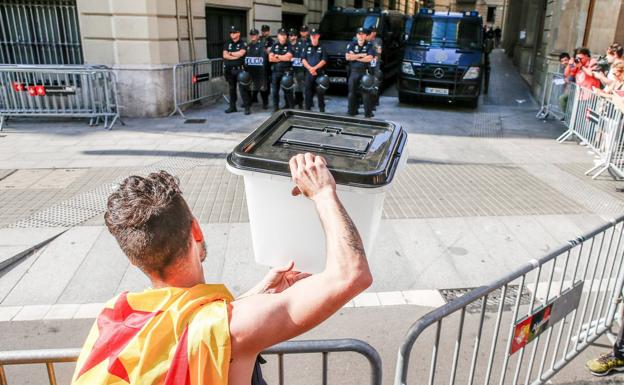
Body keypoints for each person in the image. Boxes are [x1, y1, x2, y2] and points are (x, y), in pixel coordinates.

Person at [70, 155, 373, 385]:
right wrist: (322, 193)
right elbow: (351, 274)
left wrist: (257, 295)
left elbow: (183, 331)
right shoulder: (232, 329)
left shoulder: (113, 318)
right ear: (196, 232)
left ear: (134, 259)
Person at [346, 27, 375, 118]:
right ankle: (352, 112)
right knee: (352, 93)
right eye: (359, 34)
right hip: (354, 72)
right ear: (356, 35)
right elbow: (347, 57)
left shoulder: (369, 45)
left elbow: (370, 58)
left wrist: (355, 56)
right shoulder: (352, 44)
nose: (361, 36)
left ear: (366, 36)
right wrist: (361, 55)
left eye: (363, 34)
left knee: (366, 93)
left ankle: (368, 113)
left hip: (364, 72)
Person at [222, 26, 248, 114]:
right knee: (231, 90)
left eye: (234, 32)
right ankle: (232, 107)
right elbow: (225, 55)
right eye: (231, 33)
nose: (232, 34)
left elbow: (241, 53)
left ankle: (247, 108)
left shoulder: (242, 43)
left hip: (239, 70)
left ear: (238, 33)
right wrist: (234, 56)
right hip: (230, 71)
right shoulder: (227, 43)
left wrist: (230, 54)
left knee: (243, 89)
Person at [302, 28, 328, 112]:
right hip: (309, 73)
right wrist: (310, 68)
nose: (313, 37)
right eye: (312, 35)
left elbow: (324, 60)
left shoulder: (322, 47)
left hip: (319, 73)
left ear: (318, 36)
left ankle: (322, 109)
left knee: (320, 92)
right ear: (310, 36)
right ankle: (308, 109)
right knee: (308, 91)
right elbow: (303, 59)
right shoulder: (306, 47)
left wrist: (315, 68)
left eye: (315, 35)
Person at [269, 28, 295, 111]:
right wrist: (282, 57)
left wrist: (277, 56)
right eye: (281, 35)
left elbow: (289, 57)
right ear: (278, 36)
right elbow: (270, 58)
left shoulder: (289, 45)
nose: (283, 37)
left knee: (288, 91)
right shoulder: (274, 45)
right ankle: (275, 109)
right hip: (276, 72)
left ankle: (291, 109)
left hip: (286, 72)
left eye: (284, 35)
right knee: (274, 92)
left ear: (286, 36)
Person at [244, 28, 269, 111]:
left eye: (254, 34)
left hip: (260, 70)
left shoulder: (261, 45)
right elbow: (246, 57)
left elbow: (263, 59)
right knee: (249, 87)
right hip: (250, 71)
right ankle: (249, 101)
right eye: (251, 35)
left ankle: (265, 103)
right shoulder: (248, 46)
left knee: (262, 88)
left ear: (258, 35)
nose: (253, 36)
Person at [289, 28, 306, 109]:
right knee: (289, 86)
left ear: (296, 36)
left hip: (299, 68)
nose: (291, 37)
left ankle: (300, 103)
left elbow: (303, 57)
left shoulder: (301, 45)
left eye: (293, 35)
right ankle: (290, 103)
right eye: (290, 35)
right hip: (289, 69)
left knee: (299, 87)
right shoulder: (287, 45)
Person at [366, 26, 383, 108]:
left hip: (376, 63)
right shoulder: (366, 39)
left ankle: (375, 102)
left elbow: (379, 50)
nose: (373, 33)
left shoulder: (378, 40)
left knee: (375, 82)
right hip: (368, 63)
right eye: (372, 31)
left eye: (374, 31)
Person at [260, 25, 275, 105]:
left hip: (268, 65)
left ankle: (265, 101)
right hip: (259, 64)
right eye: (263, 30)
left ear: (268, 31)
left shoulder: (271, 41)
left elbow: (269, 52)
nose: (264, 32)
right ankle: (254, 97)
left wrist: (262, 48)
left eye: (266, 31)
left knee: (266, 83)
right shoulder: (258, 39)